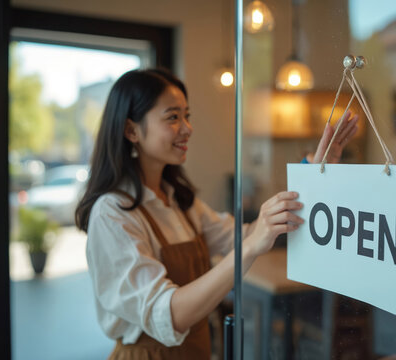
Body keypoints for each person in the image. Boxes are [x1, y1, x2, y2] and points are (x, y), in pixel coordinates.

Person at [75, 68, 358, 360]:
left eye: (187, 116)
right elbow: (170, 314)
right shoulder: (111, 214)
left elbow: (249, 233)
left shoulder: (178, 199)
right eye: (172, 117)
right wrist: (249, 246)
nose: (187, 128)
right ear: (131, 130)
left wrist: (312, 173)